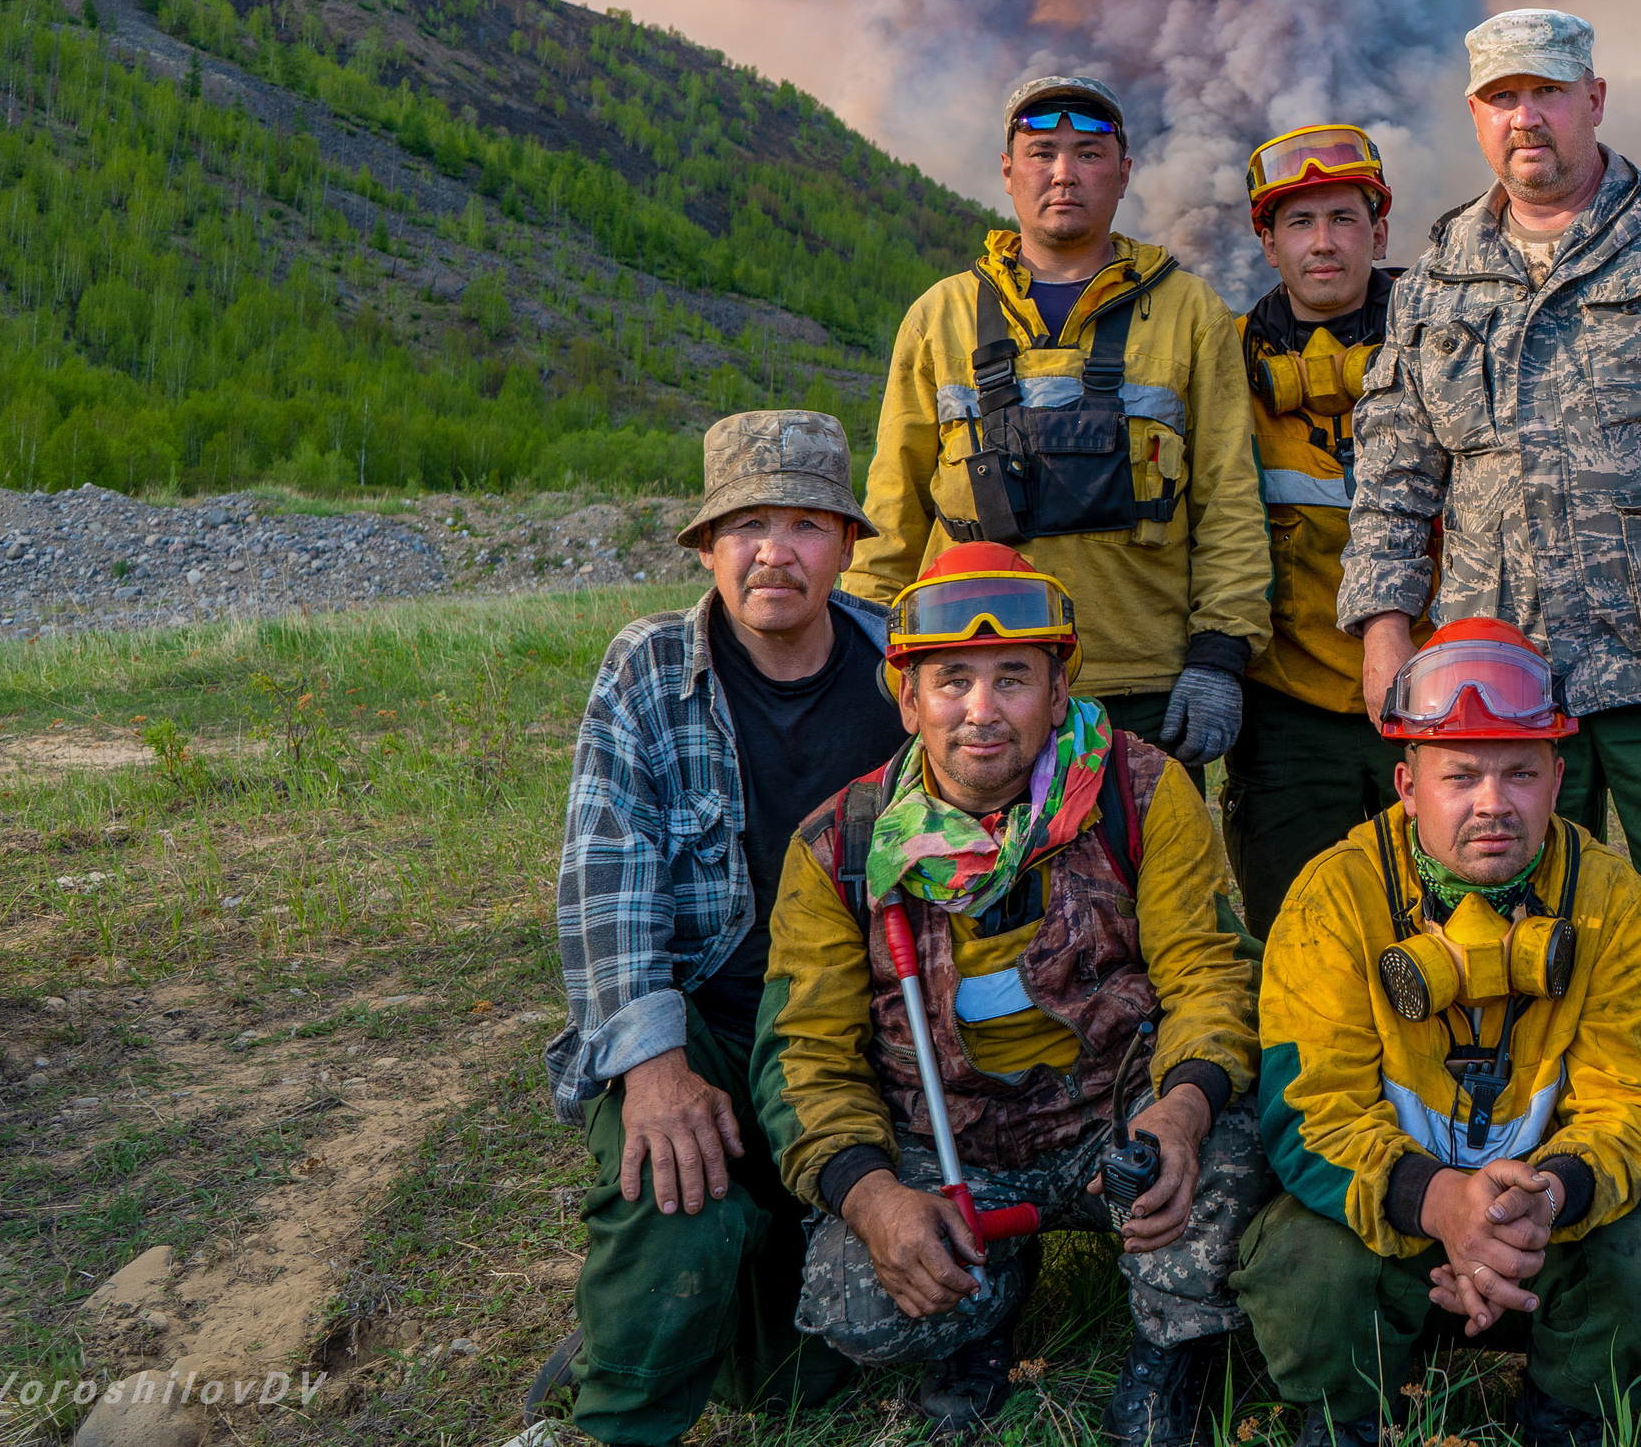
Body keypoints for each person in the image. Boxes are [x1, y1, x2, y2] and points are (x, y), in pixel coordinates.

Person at [1338, 8, 1641, 1058]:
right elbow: (1390, 462)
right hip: (1500, 695)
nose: (1527, 118)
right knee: (1512, 945)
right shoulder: (1438, 271)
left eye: (1548, 93)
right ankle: (1547, 1177)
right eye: (1502, 98)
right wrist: (1383, 623)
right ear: (1476, 116)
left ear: (1592, 100)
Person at [757, 544, 1270, 1445]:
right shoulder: (836, 847)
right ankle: (986, 1302)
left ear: (1059, 687)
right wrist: (875, 1198)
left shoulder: (1143, 793)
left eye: (1012, 678)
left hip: (1124, 1115)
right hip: (946, 1139)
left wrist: (1184, 1109)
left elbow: (1209, 974)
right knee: (853, 1298)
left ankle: (1171, 1347)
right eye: (951, 682)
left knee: (1237, 1163)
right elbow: (805, 1056)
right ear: (908, 699)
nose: (981, 712)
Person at [1234, 620, 1641, 1447]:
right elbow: (1309, 1114)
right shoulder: (1333, 898)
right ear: (1406, 784)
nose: (1493, 802)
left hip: (1547, 1227)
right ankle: (1348, 1416)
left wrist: (1543, 1201)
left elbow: (1640, 1105)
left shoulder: (1615, 903)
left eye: (1520, 773)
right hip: (1396, 1220)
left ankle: (1568, 1412)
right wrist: (1443, 1204)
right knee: (1300, 1260)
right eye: (1459, 774)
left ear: (1559, 779)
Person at [537, 412, 907, 1443]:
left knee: (803, 1376)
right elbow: (602, 884)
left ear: (845, 541)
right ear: (707, 546)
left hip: (855, 1034)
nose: (774, 552)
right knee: (672, 1196)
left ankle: (668, 1321)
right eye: (745, 524)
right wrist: (652, 1065)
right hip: (705, 1011)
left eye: (805, 523)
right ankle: (620, 1409)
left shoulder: (905, 672)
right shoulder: (647, 670)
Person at [849, 73, 1269, 776]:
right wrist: (862, 650)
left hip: (1142, 692)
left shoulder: (1190, 312)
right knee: (970, 887)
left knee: (1152, 887)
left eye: (1089, 154)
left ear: (1125, 173)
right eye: (1042, 152)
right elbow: (892, 512)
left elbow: (1229, 501)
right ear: (1009, 172)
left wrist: (1220, 656)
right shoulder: (939, 316)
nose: (1064, 172)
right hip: (970, 687)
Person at [1224, 122, 1433, 935]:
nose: (1323, 243)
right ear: (1266, 239)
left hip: (1433, 701)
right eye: (1299, 222)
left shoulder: (1443, 339)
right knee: (1300, 941)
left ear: (1379, 232)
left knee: (1446, 943)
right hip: (1287, 718)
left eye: (1343, 219)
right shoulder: (1225, 362)